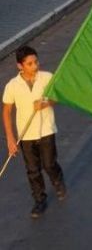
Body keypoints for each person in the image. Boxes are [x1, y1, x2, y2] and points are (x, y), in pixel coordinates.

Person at [3, 46, 67, 218]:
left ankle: (58, 179)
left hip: (46, 129)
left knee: (49, 164)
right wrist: (10, 138)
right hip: (25, 135)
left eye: (36, 62)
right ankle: (40, 200)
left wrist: (45, 104)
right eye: (30, 63)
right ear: (20, 66)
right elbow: (6, 111)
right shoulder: (12, 86)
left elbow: (58, 97)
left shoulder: (47, 78)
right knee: (32, 170)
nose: (35, 66)